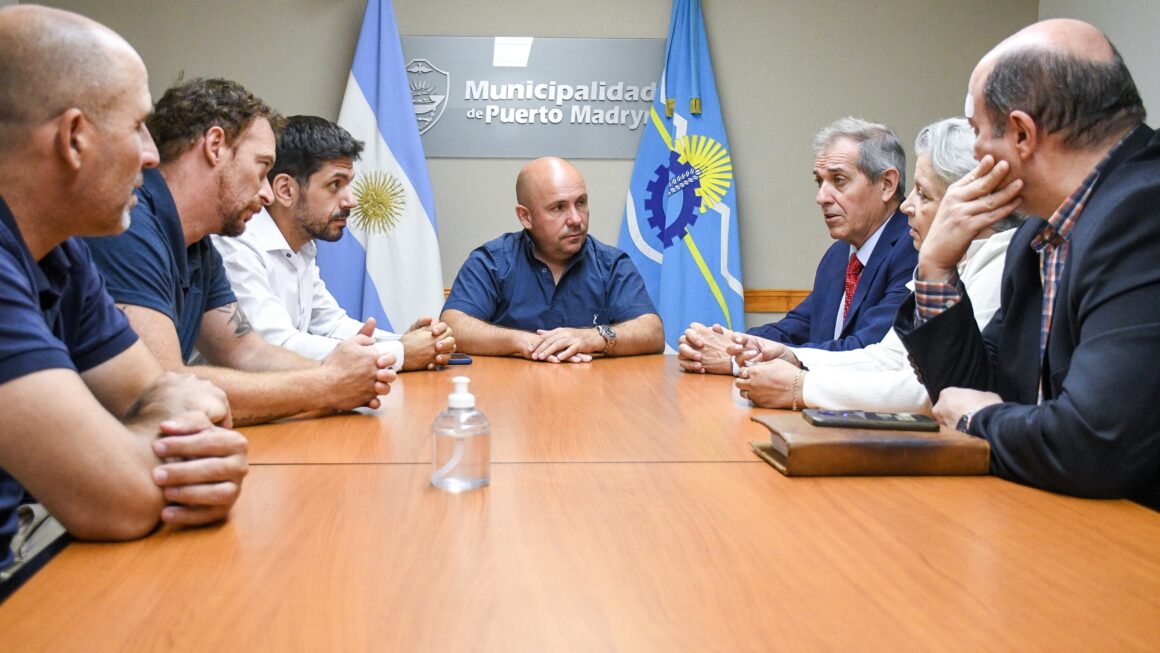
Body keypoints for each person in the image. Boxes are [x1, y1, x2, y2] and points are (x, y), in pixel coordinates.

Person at [0, 6, 247, 584]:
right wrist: (174, 440)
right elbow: (119, 499)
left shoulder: (59, 252)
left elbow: (164, 392)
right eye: (137, 126)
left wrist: (162, 429)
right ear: (74, 138)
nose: (152, 154)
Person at [895, 19, 1160, 508]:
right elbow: (965, 391)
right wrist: (935, 268)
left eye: (976, 132)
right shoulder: (1034, 236)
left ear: (1021, 133)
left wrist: (979, 420)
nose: (975, 152)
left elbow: (1096, 444)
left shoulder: (1145, 212)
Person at [85, 79, 396, 425]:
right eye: (262, 169)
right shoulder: (129, 225)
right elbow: (161, 388)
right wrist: (327, 385)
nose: (267, 194)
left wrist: (340, 375)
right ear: (215, 146)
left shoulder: (199, 244)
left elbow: (245, 350)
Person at [733, 118, 1019, 412]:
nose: (907, 205)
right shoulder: (843, 256)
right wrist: (793, 358)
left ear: (974, 202)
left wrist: (802, 387)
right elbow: (889, 358)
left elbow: (935, 391)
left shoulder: (1000, 262)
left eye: (923, 194)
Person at [212, 115, 455, 370]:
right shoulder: (236, 244)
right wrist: (402, 352)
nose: (351, 201)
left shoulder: (302, 245)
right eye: (335, 184)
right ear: (285, 190)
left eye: (348, 184)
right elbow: (275, 346)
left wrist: (405, 342)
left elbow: (331, 325)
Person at [679, 117, 917, 373]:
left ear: (887, 184)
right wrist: (731, 344)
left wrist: (735, 360)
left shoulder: (913, 248)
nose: (821, 197)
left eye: (839, 180)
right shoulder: (839, 255)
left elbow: (866, 352)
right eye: (820, 182)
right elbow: (797, 327)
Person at [441, 157, 664, 362]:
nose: (576, 219)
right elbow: (453, 326)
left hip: (591, 388)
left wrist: (593, 337)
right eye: (558, 208)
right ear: (525, 217)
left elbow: (652, 332)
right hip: (511, 389)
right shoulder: (493, 261)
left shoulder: (612, 264)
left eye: (581, 202)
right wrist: (525, 342)